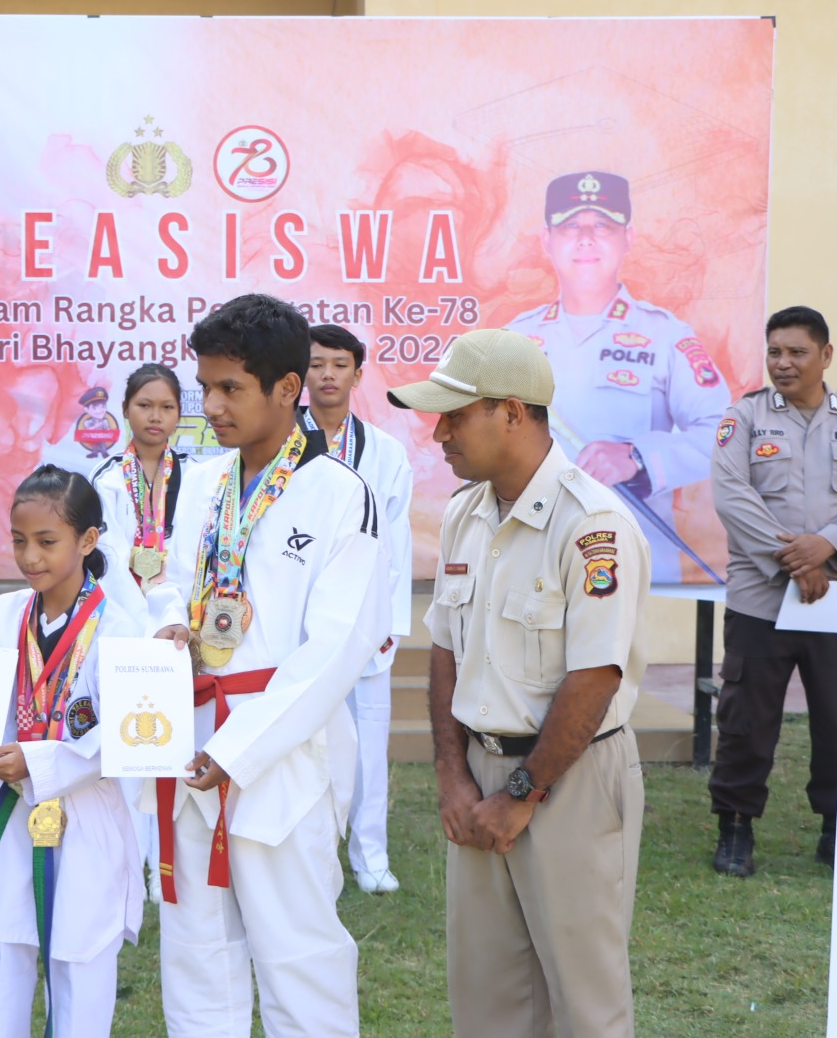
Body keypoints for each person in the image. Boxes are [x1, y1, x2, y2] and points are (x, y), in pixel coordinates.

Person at [389, 328, 649, 1038]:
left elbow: (595, 677)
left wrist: (521, 793)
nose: (439, 434)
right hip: (481, 774)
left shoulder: (592, 523)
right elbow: (446, 647)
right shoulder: (467, 512)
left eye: (454, 415)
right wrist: (452, 775)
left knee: (585, 1003)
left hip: (571, 778)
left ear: (511, 412)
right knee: (487, 998)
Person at [150, 294, 390, 1038]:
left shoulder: (340, 495)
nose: (213, 406)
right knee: (196, 953)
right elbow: (169, 580)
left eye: (231, 388)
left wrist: (240, 748)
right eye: (206, 387)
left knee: (297, 957)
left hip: (280, 753)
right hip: (191, 738)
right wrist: (168, 623)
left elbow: (338, 648)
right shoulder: (203, 482)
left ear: (288, 388)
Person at [0, 466, 143, 1038]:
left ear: (87, 540)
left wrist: (40, 763)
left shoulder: (119, 630)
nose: (29, 557)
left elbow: (123, 735)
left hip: (85, 813)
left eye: (47, 542)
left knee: (80, 959)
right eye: (19, 541)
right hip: (4, 809)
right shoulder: (1, 615)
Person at [503, 170, 729, 584]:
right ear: (547, 240)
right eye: (571, 225)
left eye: (603, 225)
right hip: (535, 555)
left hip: (633, 558)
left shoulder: (665, 334)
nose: (586, 238)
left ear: (628, 238)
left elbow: (724, 433)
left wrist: (638, 458)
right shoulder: (514, 339)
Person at [708, 306, 837, 875]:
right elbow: (732, 495)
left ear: (826, 355)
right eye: (775, 352)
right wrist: (794, 561)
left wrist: (828, 545)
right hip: (762, 598)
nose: (783, 363)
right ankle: (735, 829)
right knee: (746, 720)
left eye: (797, 352)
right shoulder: (744, 416)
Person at [301, 324, 414, 894]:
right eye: (317, 363)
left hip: (366, 620)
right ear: (299, 373)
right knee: (301, 739)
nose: (328, 374)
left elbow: (397, 543)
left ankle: (371, 856)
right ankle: (307, 850)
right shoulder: (281, 446)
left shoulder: (386, 453)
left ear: (357, 374)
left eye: (339, 364)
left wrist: (387, 623)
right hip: (300, 619)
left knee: (369, 741)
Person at [91, 362, 196, 902]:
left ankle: (167, 864)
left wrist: (172, 616)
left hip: (177, 629)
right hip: (126, 627)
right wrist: (143, 624)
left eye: (167, 407)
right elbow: (107, 561)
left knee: (173, 745)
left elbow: (192, 555)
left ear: (181, 413)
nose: (156, 417)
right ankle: (131, 864)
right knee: (132, 749)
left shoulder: (199, 478)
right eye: (144, 405)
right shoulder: (107, 478)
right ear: (125, 410)